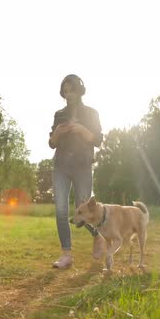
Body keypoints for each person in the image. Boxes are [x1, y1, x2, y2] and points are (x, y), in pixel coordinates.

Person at [48, 74, 106, 269]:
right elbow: (51, 143)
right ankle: (66, 255)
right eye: (65, 91)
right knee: (61, 210)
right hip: (61, 167)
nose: (68, 94)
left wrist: (82, 130)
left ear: (79, 90)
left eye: (71, 90)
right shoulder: (59, 115)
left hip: (82, 166)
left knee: (85, 209)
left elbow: (97, 139)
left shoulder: (91, 113)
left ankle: (98, 237)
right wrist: (57, 133)